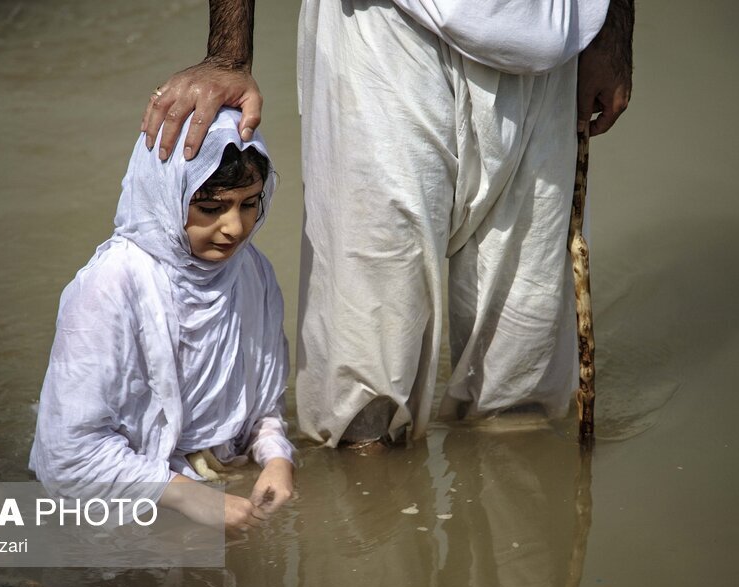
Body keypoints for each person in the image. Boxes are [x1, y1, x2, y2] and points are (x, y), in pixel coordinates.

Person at [142, 1, 634, 449]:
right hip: (379, 26)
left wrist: (612, 29)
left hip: (554, 33)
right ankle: (370, 529)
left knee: (522, 378)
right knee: (363, 393)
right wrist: (228, 54)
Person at [30, 108, 295, 532]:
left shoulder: (250, 271)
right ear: (164, 196)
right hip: (133, 493)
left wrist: (276, 457)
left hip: (215, 475)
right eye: (211, 207)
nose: (235, 228)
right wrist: (187, 495)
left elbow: (262, 405)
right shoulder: (110, 285)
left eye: (249, 204)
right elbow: (69, 455)